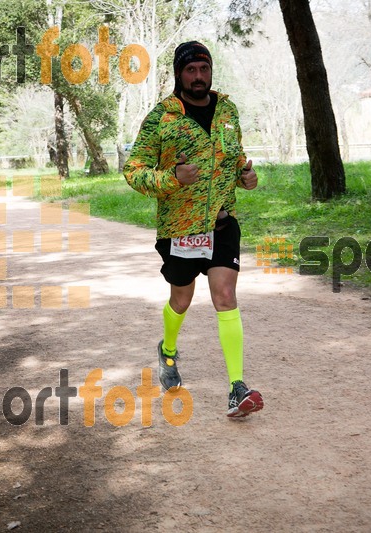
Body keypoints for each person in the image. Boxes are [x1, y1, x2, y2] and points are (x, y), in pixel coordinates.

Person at [124, 41, 263, 418]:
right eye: (191, 70)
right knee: (181, 300)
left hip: (221, 222)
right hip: (180, 229)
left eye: (204, 68)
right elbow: (133, 170)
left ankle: (237, 386)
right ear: (179, 74)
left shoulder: (228, 110)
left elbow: (234, 161)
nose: (198, 76)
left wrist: (245, 177)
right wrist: (172, 177)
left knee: (224, 295)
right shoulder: (161, 118)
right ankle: (168, 353)